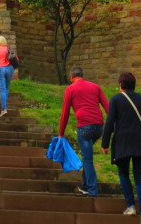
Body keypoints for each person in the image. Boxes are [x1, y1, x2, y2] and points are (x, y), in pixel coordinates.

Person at [101, 72, 141, 224]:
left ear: (120, 85)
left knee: (123, 173)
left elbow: (110, 122)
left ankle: (131, 206)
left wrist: (104, 143)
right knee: (140, 177)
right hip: (140, 143)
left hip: (122, 142)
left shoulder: (116, 99)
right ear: (134, 85)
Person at [58, 65, 109, 198]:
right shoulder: (95, 86)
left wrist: (60, 133)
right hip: (99, 127)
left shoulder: (70, 89)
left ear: (71, 77)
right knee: (87, 156)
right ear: (82, 75)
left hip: (84, 128)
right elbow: (107, 106)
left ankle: (92, 191)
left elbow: (65, 113)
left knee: (87, 159)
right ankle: (84, 186)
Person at [0, 35, 15, 117]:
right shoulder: (9, 49)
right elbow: (16, 59)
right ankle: (4, 107)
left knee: (2, 89)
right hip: (10, 68)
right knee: (7, 88)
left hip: (0, 69)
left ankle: (4, 109)